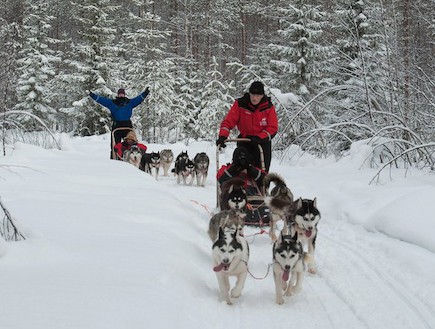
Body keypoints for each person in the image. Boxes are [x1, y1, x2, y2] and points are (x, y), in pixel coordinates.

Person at [216, 81, 278, 172]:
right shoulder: (241, 104)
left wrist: (260, 137)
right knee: (240, 168)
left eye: (257, 96)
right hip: (245, 141)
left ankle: (261, 185)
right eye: (252, 95)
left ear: (262, 96)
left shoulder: (268, 107)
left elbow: (273, 127)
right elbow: (228, 122)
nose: (254, 98)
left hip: (262, 143)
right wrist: (222, 136)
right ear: (249, 93)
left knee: (261, 173)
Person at [89, 87, 150, 158]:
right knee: (115, 145)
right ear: (117, 95)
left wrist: (145, 93)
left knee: (131, 143)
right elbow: (102, 100)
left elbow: (138, 99)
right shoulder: (112, 103)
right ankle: (114, 159)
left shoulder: (130, 102)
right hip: (117, 126)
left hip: (127, 126)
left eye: (122, 94)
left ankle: (132, 158)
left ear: (124, 95)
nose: (121, 95)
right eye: (120, 94)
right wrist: (92, 95)